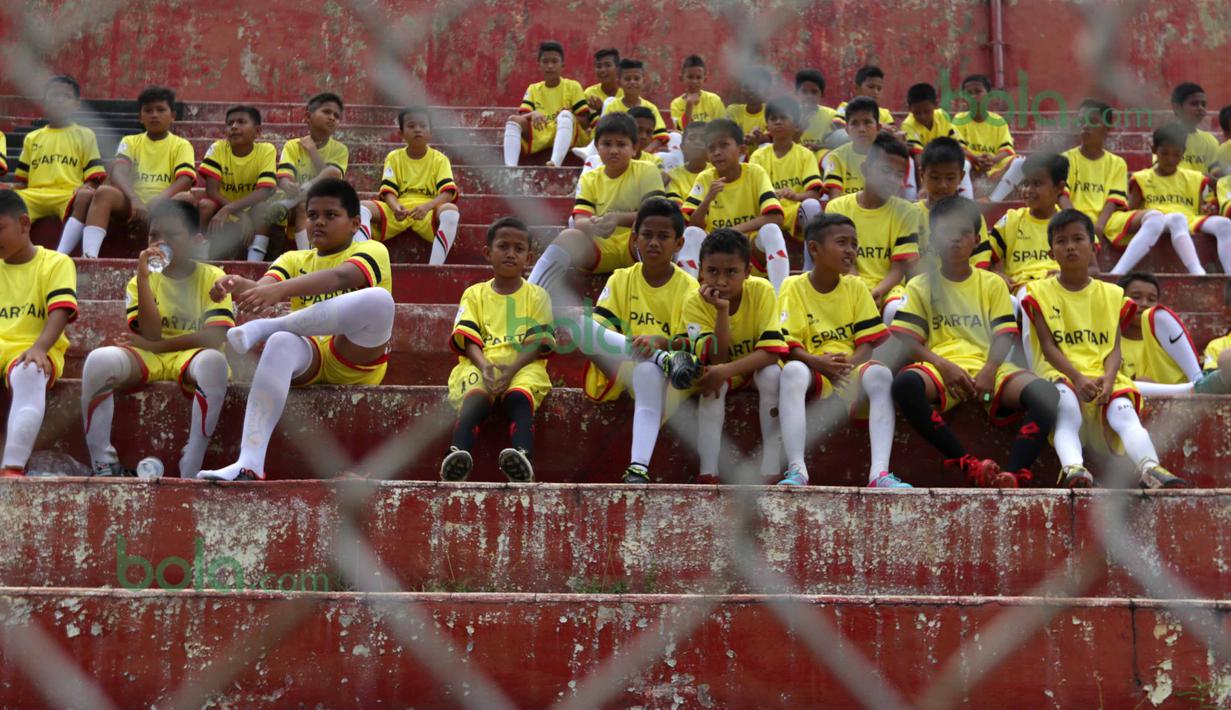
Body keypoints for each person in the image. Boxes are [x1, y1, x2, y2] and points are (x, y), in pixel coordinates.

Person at [197, 179, 395, 482]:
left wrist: (277, 293)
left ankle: (268, 326)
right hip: (311, 355)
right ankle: (249, 462)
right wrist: (236, 285)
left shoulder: (373, 249)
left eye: (331, 215)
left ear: (355, 223)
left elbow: (341, 276)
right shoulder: (293, 258)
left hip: (355, 356)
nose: (319, 222)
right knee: (280, 342)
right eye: (313, 215)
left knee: (380, 301)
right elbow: (263, 290)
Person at [890, 196, 1058, 488]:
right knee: (904, 385)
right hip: (943, 368)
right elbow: (906, 338)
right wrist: (943, 365)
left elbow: (1004, 334)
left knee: (1046, 394)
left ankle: (1015, 473)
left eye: (964, 233)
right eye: (946, 232)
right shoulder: (920, 284)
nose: (955, 239)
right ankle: (968, 463)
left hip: (989, 367)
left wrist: (990, 369)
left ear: (977, 239)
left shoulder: (991, 282)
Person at [1022, 209, 1187, 489]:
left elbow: (1114, 348)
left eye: (1078, 239)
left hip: (1103, 374)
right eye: (1061, 241)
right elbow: (1048, 347)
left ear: (1094, 248)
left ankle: (1150, 467)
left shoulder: (1112, 295)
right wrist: (1076, 377)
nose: (1070, 246)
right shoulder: (1037, 292)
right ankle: (1073, 468)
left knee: (1123, 411)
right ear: (1051, 252)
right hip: (1060, 373)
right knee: (1067, 409)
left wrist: (1109, 380)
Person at [80, 200, 232, 478]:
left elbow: (213, 337)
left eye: (171, 235)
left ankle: (192, 462)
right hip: (148, 354)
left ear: (196, 241)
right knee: (98, 360)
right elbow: (149, 333)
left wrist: (160, 346)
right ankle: (103, 462)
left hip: (192, 354)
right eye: (153, 235)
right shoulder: (140, 279)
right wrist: (143, 278)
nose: (159, 242)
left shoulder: (213, 276)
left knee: (215, 363)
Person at [776, 214, 906, 488]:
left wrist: (845, 366)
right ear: (814, 248)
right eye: (842, 242)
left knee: (881, 375)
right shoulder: (793, 286)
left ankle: (879, 474)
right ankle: (797, 469)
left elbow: (867, 344)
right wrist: (818, 363)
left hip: (850, 366)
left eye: (854, 244)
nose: (850, 251)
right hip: (813, 366)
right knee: (792, 371)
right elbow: (789, 345)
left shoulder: (857, 287)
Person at [578, 199, 702, 483]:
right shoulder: (621, 278)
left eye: (663, 236)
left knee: (649, 368)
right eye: (647, 235)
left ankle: (638, 467)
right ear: (634, 238)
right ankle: (657, 359)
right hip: (622, 363)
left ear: (679, 244)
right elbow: (597, 333)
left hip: (666, 376)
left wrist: (659, 343)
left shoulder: (688, 287)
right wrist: (636, 346)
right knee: (578, 323)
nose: (654, 243)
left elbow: (690, 346)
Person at [441, 217, 555, 483]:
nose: (511, 254)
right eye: (503, 246)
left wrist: (509, 371)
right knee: (475, 397)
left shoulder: (538, 295)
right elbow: (469, 339)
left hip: (523, 365)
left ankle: (522, 455)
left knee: (519, 398)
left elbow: (537, 344)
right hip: (480, 364)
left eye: (519, 248)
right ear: (487, 252)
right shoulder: (475, 294)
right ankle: (458, 452)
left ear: (529, 256)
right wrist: (485, 367)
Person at [682, 229, 786, 484]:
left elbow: (772, 353)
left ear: (748, 272)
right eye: (712, 271)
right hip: (720, 370)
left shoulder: (761, 290)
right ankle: (708, 471)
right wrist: (721, 311)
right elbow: (717, 357)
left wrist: (726, 370)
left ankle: (770, 467)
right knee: (711, 384)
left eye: (731, 272)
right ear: (700, 272)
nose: (721, 281)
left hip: (756, 368)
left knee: (773, 375)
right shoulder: (693, 302)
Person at [528, 113, 667, 292]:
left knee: (652, 232)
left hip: (636, 244)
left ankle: (655, 292)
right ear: (597, 148)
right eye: (606, 144)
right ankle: (532, 294)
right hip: (601, 248)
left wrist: (618, 219)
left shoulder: (647, 170)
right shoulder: (591, 177)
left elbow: (657, 215)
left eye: (621, 144)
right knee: (569, 236)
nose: (613, 150)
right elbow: (580, 220)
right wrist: (593, 224)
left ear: (634, 148)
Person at [0, 190, 78, 477]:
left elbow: (60, 311)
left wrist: (40, 348)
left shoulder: (55, 262)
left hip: (33, 346)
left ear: (24, 223)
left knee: (30, 372)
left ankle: (11, 467)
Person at [68, 85, 195, 258]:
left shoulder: (181, 144)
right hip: (132, 202)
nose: (154, 115)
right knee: (104, 192)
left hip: (165, 203)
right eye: (148, 110)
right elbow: (119, 171)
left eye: (160, 110)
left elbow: (185, 180)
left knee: (185, 198)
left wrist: (157, 201)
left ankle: (180, 256)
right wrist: (134, 198)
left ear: (172, 115)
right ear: (140, 117)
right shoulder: (130, 141)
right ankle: (89, 256)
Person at [677, 119, 789, 292]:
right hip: (713, 250)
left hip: (748, 248)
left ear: (742, 150)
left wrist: (733, 231)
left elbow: (776, 217)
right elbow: (691, 224)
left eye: (724, 145)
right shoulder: (705, 178)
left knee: (771, 230)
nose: (717, 152)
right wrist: (707, 199)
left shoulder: (755, 173)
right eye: (712, 148)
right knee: (691, 234)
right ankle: (686, 298)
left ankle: (781, 297)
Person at [825, 133, 921, 324]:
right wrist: (861, 291)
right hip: (846, 282)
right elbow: (843, 260)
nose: (893, 179)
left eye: (899, 174)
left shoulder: (907, 212)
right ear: (866, 169)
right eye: (885, 170)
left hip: (887, 289)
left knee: (897, 309)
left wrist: (877, 292)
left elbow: (899, 268)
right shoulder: (838, 207)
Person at [1110, 123, 1230, 275]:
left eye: (1176, 154)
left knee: (1225, 224)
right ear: (1154, 150)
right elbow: (1134, 211)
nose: (1170, 159)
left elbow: (1199, 210)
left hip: (1189, 219)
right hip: (1160, 220)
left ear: (1183, 153)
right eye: (1165, 153)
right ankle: (1197, 272)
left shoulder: (1194, 178)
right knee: (1177, 219)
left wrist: (1207, 209)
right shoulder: (1141, 178)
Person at [359, 106, 461, 265]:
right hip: (400, 209)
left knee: (451, 211)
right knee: (361, 208)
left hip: (429, 210)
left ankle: (435, 267)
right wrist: (395, 207)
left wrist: (427, 207)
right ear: (401, 132)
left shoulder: (440, 159)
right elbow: (388, 191)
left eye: (422, 126)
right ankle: (362, 261)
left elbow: (447, 193)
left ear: (430, 131)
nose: (417, 130)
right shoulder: (394, 157)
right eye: (411, 126)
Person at [16, 76, 106, 252]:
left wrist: (86, 186)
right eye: (54, 95)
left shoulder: (85, 134)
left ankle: (61, 253)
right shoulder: (32, 137)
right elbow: (22, 180)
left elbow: (94, 176)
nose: (59, 100)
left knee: (85, 197)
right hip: (35, 194)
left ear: (77, 104)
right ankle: (14, 253)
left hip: (68, 193)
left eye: (66, 96)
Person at [195, 105, 277, 260]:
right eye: (230, 123)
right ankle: (202, 257)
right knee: (206, 205)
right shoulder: (218, 148)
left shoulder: (266, 150)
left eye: (241, 122)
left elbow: (267, 190)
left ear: (257, 131)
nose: (234, 127)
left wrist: (232, 209)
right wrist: (237, 212)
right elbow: (212, 190)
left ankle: (254, 262)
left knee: (263, 207)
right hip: (222, 207)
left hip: (250, 209)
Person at [274, 92, 350, 250]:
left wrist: (312, 150)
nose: (332, 118)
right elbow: (284, 176)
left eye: (336, 116)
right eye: (326, 112)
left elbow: (332, 179)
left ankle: (306, 255)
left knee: (308, 201)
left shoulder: (340, 149)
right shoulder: (293, 145)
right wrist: (288, 184)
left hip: (323, 199)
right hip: (292, 199)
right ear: (308, 117)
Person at [749, 97, 824, 251]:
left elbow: (814, 194)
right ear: (766, 125)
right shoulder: (758, 155)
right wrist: (772, 194)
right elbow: (752, 192)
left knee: (812, 206)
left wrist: (795, 196)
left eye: (783, 118)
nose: (778, 122)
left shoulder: (805, 155)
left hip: (794, 211)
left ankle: (810, 264)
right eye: (773, 118)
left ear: (796, 125)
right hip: (767, 212)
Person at [989, 152, 1066, 299]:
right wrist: (996, 274)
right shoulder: (1010, 220)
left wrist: (1066, 275)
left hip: (1059, 287)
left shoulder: (1070, 224)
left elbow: (1092, 268)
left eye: (1037, 184)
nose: (1028, 190)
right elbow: (983, 258)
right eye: (1025, 183)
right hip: (1021, 289)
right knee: (1027, 297)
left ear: (1059, 187)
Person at [503, 41, 590, 168]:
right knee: (512, 121)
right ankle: (510, 167)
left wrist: (568, 116)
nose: (550, 66)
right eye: (545, 61)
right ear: (539, 65)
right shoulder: (533, 89)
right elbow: (522, 118)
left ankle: (555, 162)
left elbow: (585, 122)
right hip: (541, 133)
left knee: (565, 115)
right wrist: (533, 114)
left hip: (566, 133)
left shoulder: (573, 86)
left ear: (562, 65)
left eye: (554, 61)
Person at [1116, 272, 1202, 392]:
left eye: (1151, 299)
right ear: (1120, 300)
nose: (1144, 303)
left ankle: (1199, 381)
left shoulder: (1167, 339)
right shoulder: (1108, 340)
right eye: (1136, 297)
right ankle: (1195, 387)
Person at [916, 137, 992, 268]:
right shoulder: (909, 215)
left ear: (961, 177)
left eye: (950, 178)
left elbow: (980, 262)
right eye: (935, 177)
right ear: (922, 175)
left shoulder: (972, 215)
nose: (943, 185)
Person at [901, 82, 970, 200]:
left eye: (927, 111)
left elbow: (956, 146)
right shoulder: (908, 125)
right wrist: (924, 187)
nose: (922, 116)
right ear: (909, 108)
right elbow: (918, 156)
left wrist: (976, 157)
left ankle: (967, 201)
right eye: (917, 113)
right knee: (910, 164)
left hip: (947, 159)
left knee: (966, 165)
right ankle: (912, 200)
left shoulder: (942, 115)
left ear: (935, 105)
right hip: (926, 163)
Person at [954, 74, 1016, 193]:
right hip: (971, 162)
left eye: (978, 92)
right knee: (962, 163)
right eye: (968, 93)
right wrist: (976, 158)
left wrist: (993, 159)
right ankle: (968, 198)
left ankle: (994, 196)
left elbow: (1007, 149)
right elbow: (959, 147)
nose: (973, 96)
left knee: (1019, 161)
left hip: (993, 164)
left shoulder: (998, 120)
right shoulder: (959, 119)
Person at [601, 59, 669, 150]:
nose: (632, 82)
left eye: (636, 79)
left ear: (643, 82)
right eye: (627, 79)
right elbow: (605, 135)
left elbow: (661, 137)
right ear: (619, 82)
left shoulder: (651, 108)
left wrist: (645, 151)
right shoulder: (611, 107)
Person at [821, 96, 880, 200]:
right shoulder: (836, 157)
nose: (861, 129)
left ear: (878, 128)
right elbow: (835, 200)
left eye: (867, 122)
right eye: (855, 124)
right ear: (847, 130)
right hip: (846, 213)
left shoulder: (887, 156)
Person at [1170, 82, 1219, 176]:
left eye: (1203, 104)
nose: (1200, 108)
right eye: (1194, 104)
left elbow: (1216, 174)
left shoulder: (1210, 141)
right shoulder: (1166, 137)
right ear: (1177, 108)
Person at [669, 55, 725, 131]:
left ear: (705, 80)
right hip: (689, 140)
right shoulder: (676, 104)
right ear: (681, 78)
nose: (694, 81)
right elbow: (682, 130)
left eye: (698, 77)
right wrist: (689, 104)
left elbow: (722, 126)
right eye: (690, 77)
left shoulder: (714, 100)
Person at [794, 68, 843, 152]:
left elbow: (841, 143)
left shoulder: (832, 115)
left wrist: (820, 147)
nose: (809, 96)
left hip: (820, 159)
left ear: (822, 94)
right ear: (796, 93)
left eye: (814, 92)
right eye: (804, 91)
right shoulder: (788, 115)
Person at [724, 66, 772, 147]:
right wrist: (743, 139)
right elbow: (724, 137)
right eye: (747, 86)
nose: (751, 90)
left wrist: (763, 138)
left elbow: (780, 137)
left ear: (767, 90)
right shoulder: (733, 111)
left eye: (756, 87)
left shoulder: (772, 111)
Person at [665, 121, 709, 204]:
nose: (697, 142)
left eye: (703, 139)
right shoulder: (673, 176)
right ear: (682, 147)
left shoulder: (720, 173)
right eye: (692, 138)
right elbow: (676, 210)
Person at [583, 48, 622, 113]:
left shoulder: (626, 95)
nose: (602, 70)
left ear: (618, 69)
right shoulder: (590, 94)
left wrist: (602, 109)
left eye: (607, 65)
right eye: (598, 66)